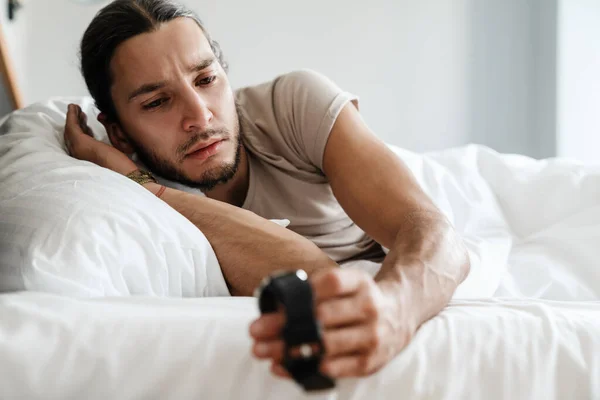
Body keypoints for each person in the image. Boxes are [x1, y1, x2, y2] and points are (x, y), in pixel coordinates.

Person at [64, 0, 470, 379]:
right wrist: (148, 189)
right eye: (157, 102)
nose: (199, 115)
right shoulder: (133, 190)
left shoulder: (294, 104)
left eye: (206, 79)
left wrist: (394, 310)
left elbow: (433, 231)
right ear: (117, 133)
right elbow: (311, 275)